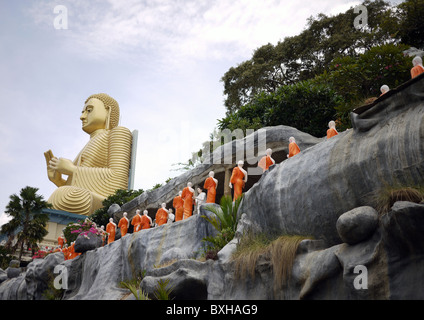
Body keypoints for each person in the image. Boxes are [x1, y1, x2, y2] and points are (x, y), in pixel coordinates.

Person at [44, 93, 133, 216]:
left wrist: (72, 169)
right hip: (81, 195)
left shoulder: (118, 133)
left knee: (62, 195)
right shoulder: (89, 143)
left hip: (106, 203)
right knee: (58, 195)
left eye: (89, 110)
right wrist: (58, 180)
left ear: (108, 111)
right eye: (83, 112)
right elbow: (78, 184)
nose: (82, 116)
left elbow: (118, 180)